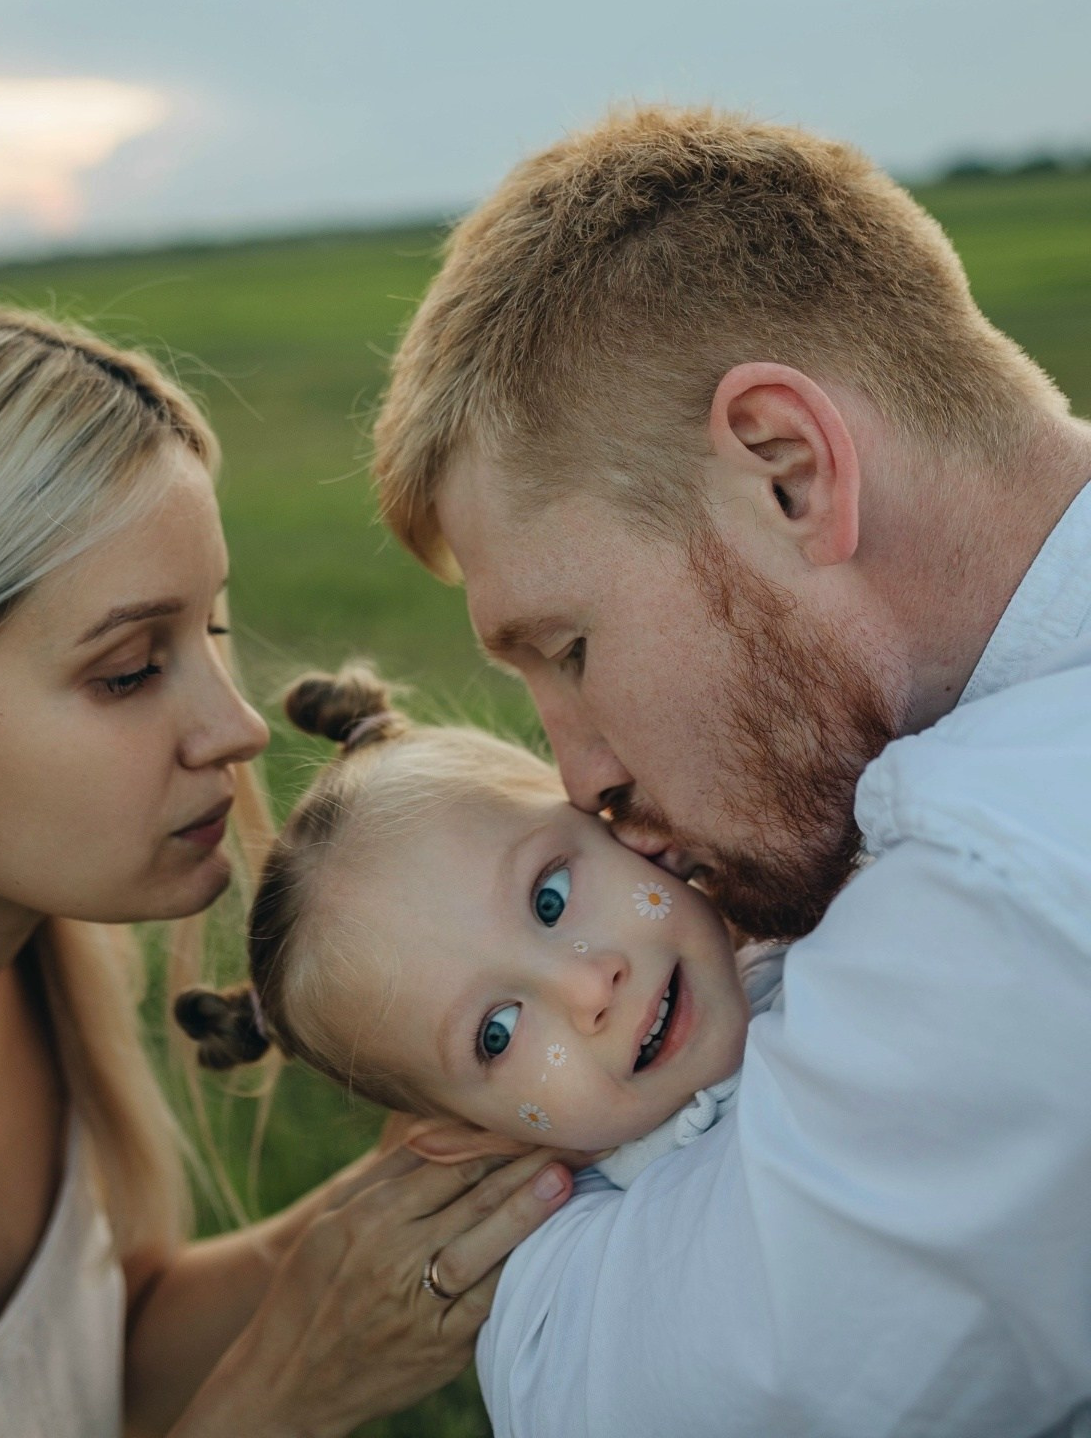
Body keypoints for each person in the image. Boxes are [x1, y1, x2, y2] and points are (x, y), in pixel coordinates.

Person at [371, 105, 1091, 1437]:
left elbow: (623, 1400)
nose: (579, 778)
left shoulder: (1010, 886)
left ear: (785, 467)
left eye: (571, 649)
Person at [0, 297, 573, 1438]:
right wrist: (284, 1400)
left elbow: (87, 1368)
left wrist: (417, 1187)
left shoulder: (32, 964)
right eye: (126, 670)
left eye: (209, 630)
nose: (235, 727)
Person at [175, 664, 784, 1177]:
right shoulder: (596, 1273)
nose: (588, 988)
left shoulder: (843, 899)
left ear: (626, 828)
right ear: (474, 1137)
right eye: (498, 1031)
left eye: (551, 898)